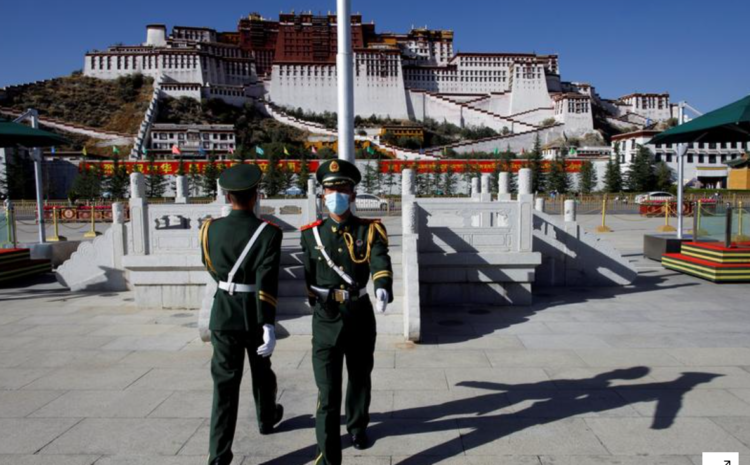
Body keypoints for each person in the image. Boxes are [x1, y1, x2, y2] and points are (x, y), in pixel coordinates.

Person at [300, 159, 393, 465]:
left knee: (359, 377)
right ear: (322, 193)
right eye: (330, 189)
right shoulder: (311, 234)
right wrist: (313, 299)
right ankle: (327, 456)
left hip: (359, 314)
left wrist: (382, 286)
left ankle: (357, 425)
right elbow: (308, 273)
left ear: (353, 194)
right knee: (327, 392)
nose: (336, 194)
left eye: (342, 188)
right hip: (326, 317)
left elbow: (379, 259)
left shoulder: (370, 230)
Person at [200, 163, 284, 465]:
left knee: (224, 386)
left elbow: (210, 267)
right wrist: (268, 324)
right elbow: (267, 280)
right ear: (255, 195)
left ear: (227, 195)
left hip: (223, 313)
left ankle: (219, 455)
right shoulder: (268, 233)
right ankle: (266, 418)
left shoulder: (209, 229)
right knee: (262, 373)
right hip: (254, 314)